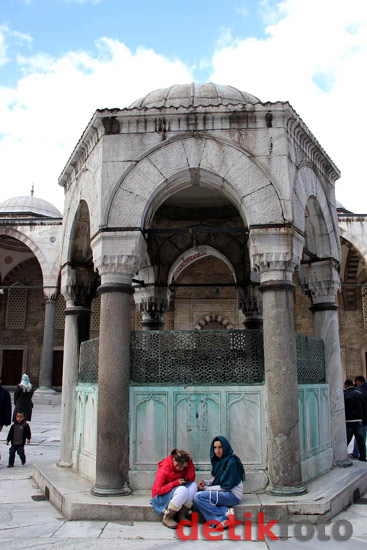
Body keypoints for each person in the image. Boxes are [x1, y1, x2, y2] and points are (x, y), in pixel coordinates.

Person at [194, 435, 245, 529]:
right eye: (215, 447)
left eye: (220, 447)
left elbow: (226, 486)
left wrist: (205, 489)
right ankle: (226, 511)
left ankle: (221, 519)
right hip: (225, 492)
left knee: (198, 497)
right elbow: (216, 479)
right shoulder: (220, 461)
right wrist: (205, 483)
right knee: (195, 498)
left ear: (225, 447)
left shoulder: (231, 462)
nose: (217, 450)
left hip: (232, 495)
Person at [151, 449, 197, 529]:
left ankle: (181, 514)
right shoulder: (164, 468)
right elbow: (158, 490)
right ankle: (168, 517)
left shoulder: (182, 465)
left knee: (193, 485)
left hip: (176, 490)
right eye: (179, 466)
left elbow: (190, 478)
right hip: (162, 496)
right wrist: (175, 483)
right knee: (183, 490)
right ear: (173, 460)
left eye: (183, 467)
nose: (181, 469)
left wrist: (190, 463)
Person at [344, 379, 366, 461]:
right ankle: (363, 457)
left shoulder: (344, 394)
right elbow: (364, 407)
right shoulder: (360, 394)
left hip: (349, 421)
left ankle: (342, 456)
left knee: (346, 440)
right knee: (361, 440)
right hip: (358, 421)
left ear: (346, 385)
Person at [351, 376, 367, 459]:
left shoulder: (359, 391)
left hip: (362, 418)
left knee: (360, 437)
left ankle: (357, 453)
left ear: (358, 381)